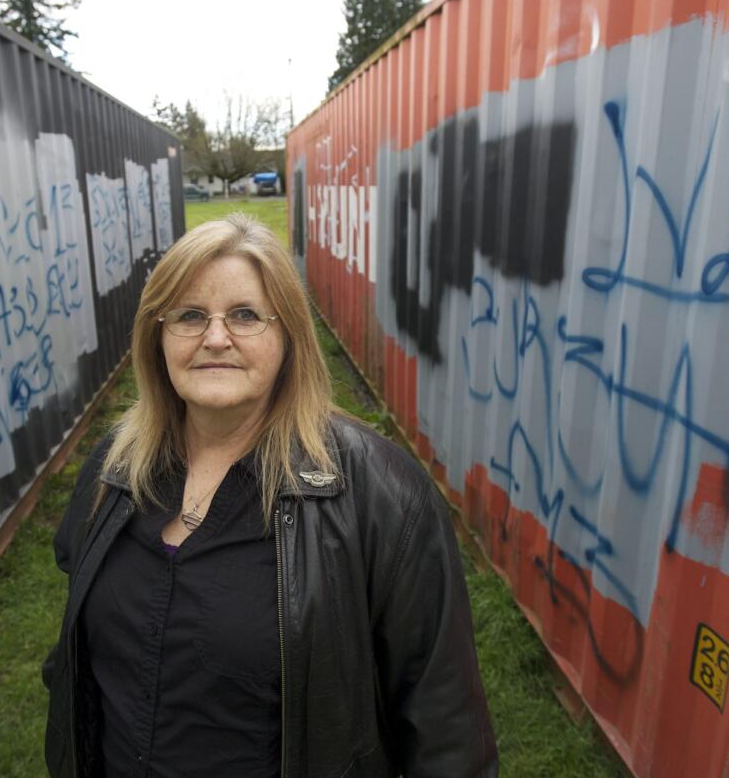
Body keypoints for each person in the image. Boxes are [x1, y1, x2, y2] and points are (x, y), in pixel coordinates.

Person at [42, 214, 497, 777]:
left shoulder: (383, 498)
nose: (214, 337)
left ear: (289, 338)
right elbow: (75, 661)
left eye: (245, 315)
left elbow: (447, 732)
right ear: (156, 337)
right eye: (189, 315)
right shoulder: (114, 468)